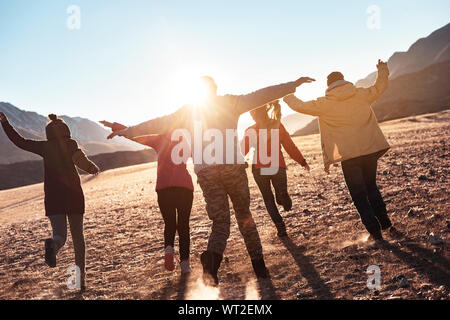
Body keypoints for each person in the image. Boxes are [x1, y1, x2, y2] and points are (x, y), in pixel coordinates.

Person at [107, 75, 315, 285]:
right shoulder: (231, 102)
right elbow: (262, 95)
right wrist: (292, 85)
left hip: (206, 171)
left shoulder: (188, 112)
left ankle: (212, 261)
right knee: (244, 215)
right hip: (232, 166)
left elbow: (158, 123)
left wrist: (128, 130)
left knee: (220, 221)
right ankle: (259, 266)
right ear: (215, 90)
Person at [283, 60, 396, 241]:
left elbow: (300, 106)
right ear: (344, 81)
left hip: (349, 157)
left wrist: (287, 94)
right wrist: (382, 69)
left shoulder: (325, 104)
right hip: (369, 151)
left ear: (329, 86)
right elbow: (380, 86)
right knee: (371, 187)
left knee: (359, 194)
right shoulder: (360, 95)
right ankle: (386, 225)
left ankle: (375, 233)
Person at [0, 112, 99, 290]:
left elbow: (20, 141)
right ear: (66, 131)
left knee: (60, 235)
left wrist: (5, 123)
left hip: (53, 198)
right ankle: (79, 281)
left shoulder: (44, 147)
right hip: (74, 195)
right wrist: (91, 168)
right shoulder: (70, 144)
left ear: (48, 133)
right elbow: (79, 159)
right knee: (78, 239)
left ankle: (53, 244)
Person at [100, 121, 194, 274]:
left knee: (169, 224)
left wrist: (118, 128)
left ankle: (169, 250)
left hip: (164, 188)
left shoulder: (160, 138)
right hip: (184, 187)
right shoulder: (188, 139)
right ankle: (185, 263)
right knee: (183, 226)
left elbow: (138, 135)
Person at [241, 101, 310, 237]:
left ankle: (280, 227)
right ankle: (282, 193)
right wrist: (302, 161)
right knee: (280, 194)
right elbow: (289, 146)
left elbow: (241, 151)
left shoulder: (251, 130)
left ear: (254, 115)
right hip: (277, 166)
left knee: (268, 199)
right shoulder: (277, 125)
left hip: (259, 169)